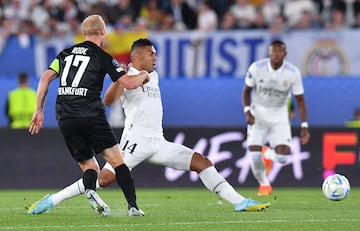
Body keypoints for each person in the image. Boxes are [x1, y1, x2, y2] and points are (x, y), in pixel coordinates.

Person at [28, 38, 270, 215]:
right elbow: (108, 101)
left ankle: (239, 202)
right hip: (135, 141)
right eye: (151, 54)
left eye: (155, 54)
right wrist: (121, 79)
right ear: (137, 56)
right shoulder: (125, 74)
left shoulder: (152, 75)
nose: (155, 58)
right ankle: (53, 200)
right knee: (103, 180)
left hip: (158, 141)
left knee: (202, 162)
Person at [27, 15, 150, 217]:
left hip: (65, 116)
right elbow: (128, 83)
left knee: (89, 165)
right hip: (90, 114)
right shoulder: (102, 56)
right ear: (103, 31)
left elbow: (44, 79)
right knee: (118, 161)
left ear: (84, 33)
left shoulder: (64, 55)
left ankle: (91, 190)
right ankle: (133, 207)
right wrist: (143, 74)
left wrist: (38, 110)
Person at [242, 40, 310, 196]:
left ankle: (267, 153)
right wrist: (247, 112)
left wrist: (304, 126)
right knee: (253, 154)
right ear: (269, 53)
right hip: (258, 113)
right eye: (274, 52)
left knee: (282, 157)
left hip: (279, 114)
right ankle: (264, 184)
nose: (276, 55)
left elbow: (300, 100)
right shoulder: (257, 68)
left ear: (285, 54)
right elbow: (246, 91)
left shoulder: (293, 73)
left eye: (280, 52)